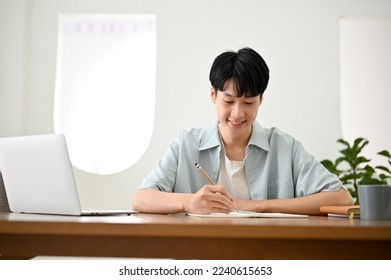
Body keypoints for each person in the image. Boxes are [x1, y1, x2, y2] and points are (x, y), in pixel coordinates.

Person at [132, 47, 353, 215]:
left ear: (261, 100)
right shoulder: (187, 144)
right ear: (213, 96)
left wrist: (257, 206)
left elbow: (342, 199)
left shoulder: (284, 146)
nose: (237, 113)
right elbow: (141, 198)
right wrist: (189, 202)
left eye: (248, 103)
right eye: (229, 101)